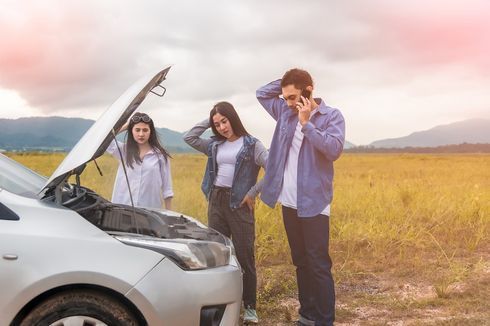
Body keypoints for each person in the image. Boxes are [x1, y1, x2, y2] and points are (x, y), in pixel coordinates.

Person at [256, 68, 345, 326]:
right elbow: (262, 94)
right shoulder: (284, 112)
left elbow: (333, 149)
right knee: (301, 262)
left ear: (308, 91)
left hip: (315, 203)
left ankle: (324, 321)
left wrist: (307, 124)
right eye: (285, 98)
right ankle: (307, 317)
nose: (289, 103)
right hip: (289, 202)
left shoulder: (331, 116)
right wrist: (287, 86)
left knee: (318, 264)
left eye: (293, 97)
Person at [183, 101, 268, 324]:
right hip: (217, 201)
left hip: (239, 205)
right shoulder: (214, 145)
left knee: (244, 256)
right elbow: (189, 137)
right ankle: (218, 304)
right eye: (217, 124)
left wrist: (253, 193)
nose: (221, 127)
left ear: (233, 117)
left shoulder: (252, 144)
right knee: (216, 254)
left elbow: (273, 169)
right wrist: (209, 116)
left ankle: (250, 307)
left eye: (224, 120)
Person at [106, 112, 173, 210]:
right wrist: (126, 126)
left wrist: (168, 215)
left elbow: (167, 190)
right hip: (122, 208)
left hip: (150, 211)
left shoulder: (161, 156)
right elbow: (104, 140)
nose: (141, 134)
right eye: (137, 130)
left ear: (151, 132)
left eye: (145, 130)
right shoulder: (123, 151)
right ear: (131, 131)